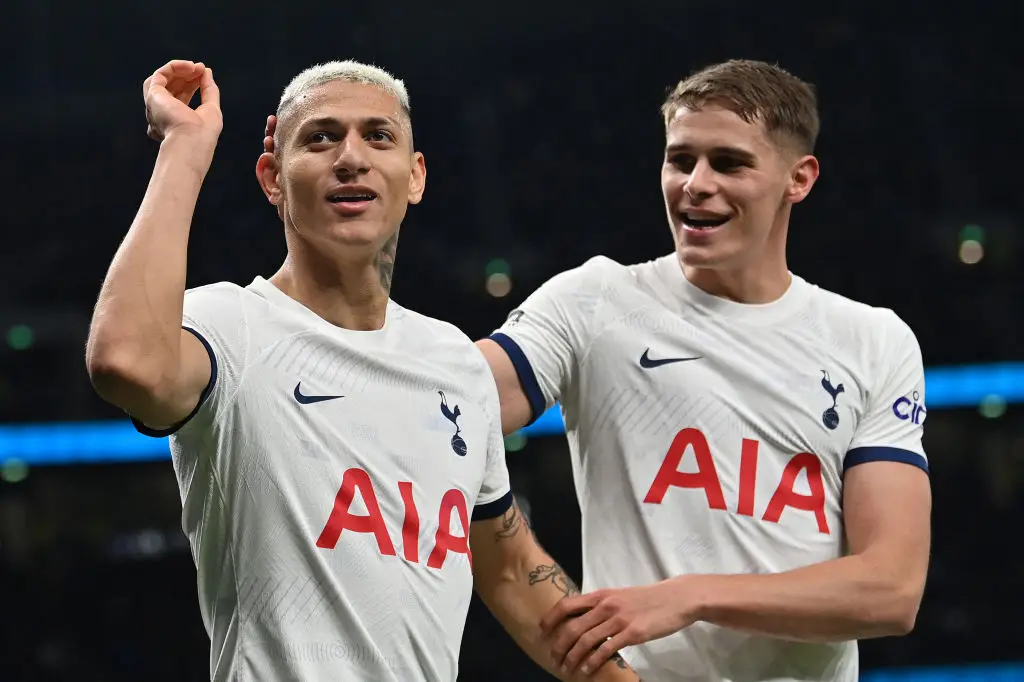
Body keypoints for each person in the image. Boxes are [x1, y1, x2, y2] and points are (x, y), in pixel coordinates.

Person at [86, 58, 639, 682]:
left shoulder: (453, 359)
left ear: (415, 176)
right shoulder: (229, 325)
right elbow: (126, 362)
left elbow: (510, 568)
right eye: (320, 138)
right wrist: (186, 147)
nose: (351, 157)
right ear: (272, 178)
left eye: (378, 136)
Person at [474, 59, 932, 681]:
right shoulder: (596, 301)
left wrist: (691, 596)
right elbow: (452, 408)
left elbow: (891, 589)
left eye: (729, 163)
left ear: (799, 179)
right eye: (680, 159)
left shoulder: (873, 340)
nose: (695, 183)